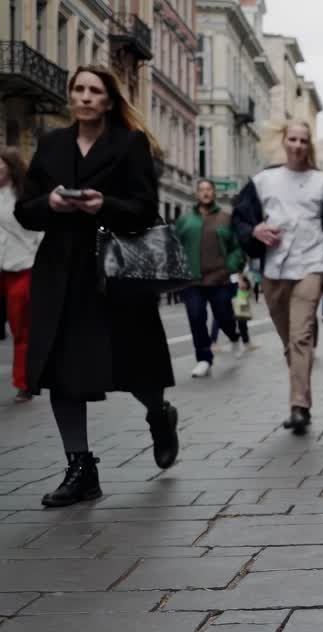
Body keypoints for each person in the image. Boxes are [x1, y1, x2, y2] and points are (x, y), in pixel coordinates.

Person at [16, 65, 180, 507]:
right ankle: (80, 467)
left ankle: (158, 414)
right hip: (62, 270)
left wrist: (102, 204)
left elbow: (145, 209)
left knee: (135, 363)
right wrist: (49, 203)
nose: (85, 97)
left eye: (95, 91)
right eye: (79, 90)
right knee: (61, 370)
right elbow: (25, 211)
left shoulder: (130, 145)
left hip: (115, 273)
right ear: (72, 97)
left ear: (109, 100)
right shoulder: (51, 145)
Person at [233, 120, 323, 435]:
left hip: (311, 264)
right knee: (288, 341)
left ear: (309, 145)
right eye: (292, 139)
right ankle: (300, 390)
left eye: (303, 140)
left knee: (301, 337)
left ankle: (299, 406)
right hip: (274, 269)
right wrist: (254, 230)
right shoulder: (263, 181)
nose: (297, 145)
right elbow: (240, 218)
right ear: (284, 142)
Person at [174, 178, 245, 377]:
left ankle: (234, 336)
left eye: (209, 190)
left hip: (219, 279)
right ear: (196, 194)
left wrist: (229, 267)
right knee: (196, 319)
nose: (205, 193)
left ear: (213, 193)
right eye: (202, 190)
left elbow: (237, 249)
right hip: (192, 281)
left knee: (224, 318)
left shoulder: (225, 218)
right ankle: (204, 359)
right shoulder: (185, 221)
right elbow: (175, 248)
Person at [0, 146, 42, 403]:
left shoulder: (25, 196)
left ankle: (24, 382)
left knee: (20, 328)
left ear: (10, 166)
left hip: (23, 266)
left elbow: (41, 230)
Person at [232, 273, 256, 351]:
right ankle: (246, 343)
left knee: (242, 322)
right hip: (238, 291)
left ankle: (246, 342)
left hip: (242, 296)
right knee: (241, 321)